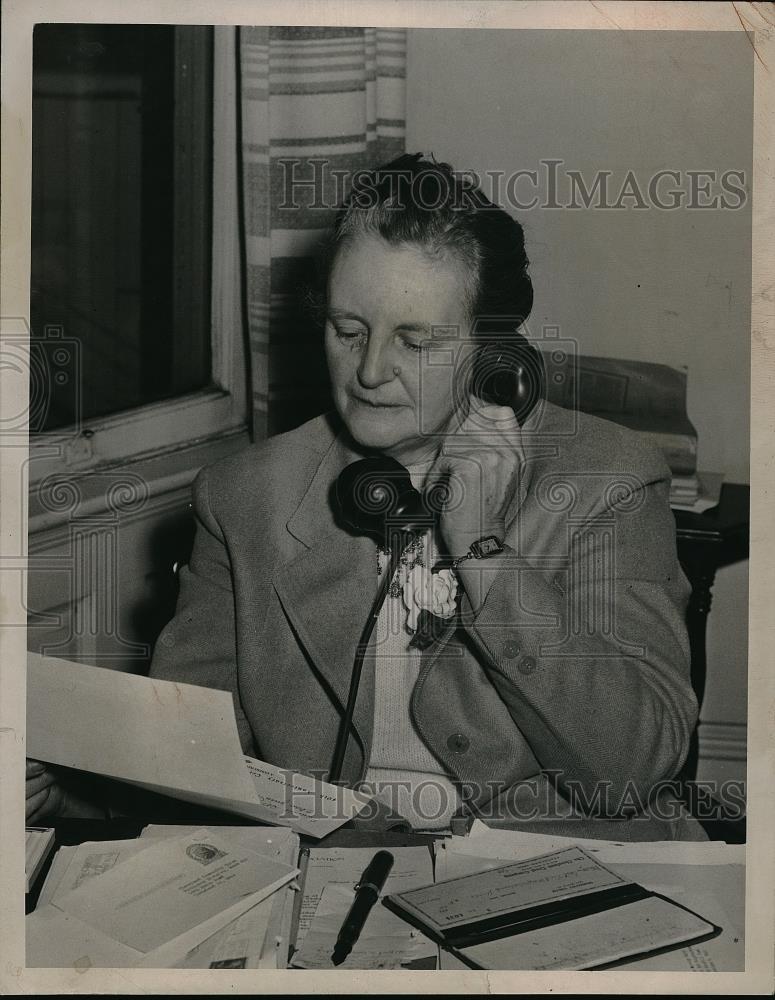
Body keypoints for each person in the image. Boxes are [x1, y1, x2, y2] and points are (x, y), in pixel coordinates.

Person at [27, 154, 699, 836]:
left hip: (546, 863)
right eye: (347, 331)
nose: (370, 371)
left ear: (492, 350)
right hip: (328, 865)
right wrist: (70, 799)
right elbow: (196, 761)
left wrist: (479, 546)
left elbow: (632, 766)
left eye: (415, 341)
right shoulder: (245, 496)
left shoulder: (605, 479)